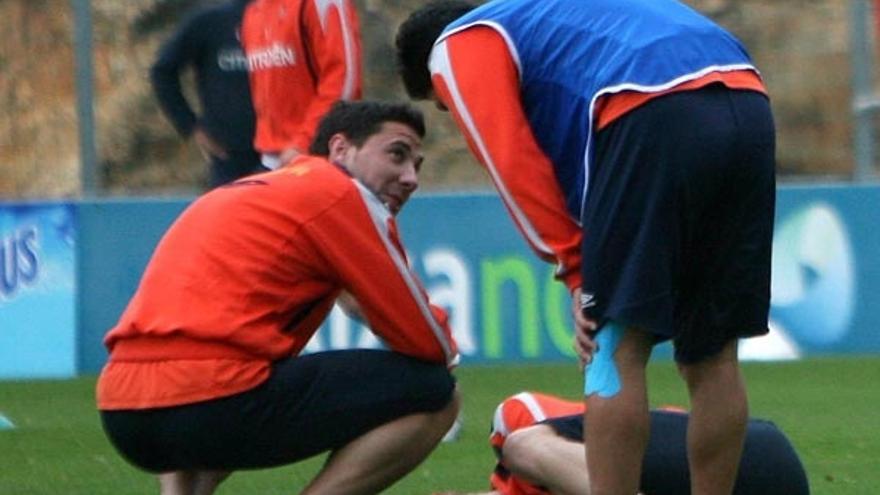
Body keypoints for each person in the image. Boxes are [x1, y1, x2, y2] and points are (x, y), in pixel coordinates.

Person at [396, 1, 776, 493]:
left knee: (613, 347)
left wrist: (577, 270)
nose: (452, 108)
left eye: (443, 102)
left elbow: (511, 159)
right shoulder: (556, 22)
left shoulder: (460, 41)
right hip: (747, 100)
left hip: (646, 105)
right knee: (713, 356)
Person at [96, 100, 460, 495]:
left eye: (416, 165)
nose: (410, 178)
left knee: (230, 375)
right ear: (340, 149)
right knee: (436, 392)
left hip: (123, 412)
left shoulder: (255, 190)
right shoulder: (341, 195)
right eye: (397, 154)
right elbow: (430, 342)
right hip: (211, 401)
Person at [439, 391, 809, 495]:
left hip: (749, 453)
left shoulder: (515, 424)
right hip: (759, 464)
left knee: (520, 444)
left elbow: (518, 413)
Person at [150, 0, 263, 188]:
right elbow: (163, 71)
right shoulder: (210, 21)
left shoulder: (290, 18)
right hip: (230, 157)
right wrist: (191, 126)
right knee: (228, 214)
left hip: (285, 153)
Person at [241, 0, 362, 171]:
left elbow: (343, 81)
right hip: (272, 160)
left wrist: (304, 142)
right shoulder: (253, 11)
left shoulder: (321, 3)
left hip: (319, 157)